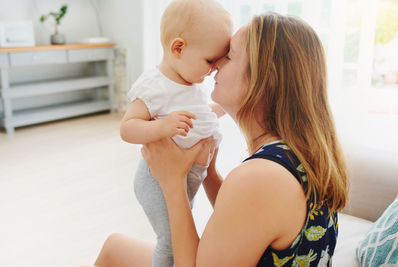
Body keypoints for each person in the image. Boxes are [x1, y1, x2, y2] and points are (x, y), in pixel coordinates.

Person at [92, 11, 348, 267]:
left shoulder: (261, 178)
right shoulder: (298, 153)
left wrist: (173, 182)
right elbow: (249, 220)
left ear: (264, 80)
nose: (215, 65)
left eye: (229, 55)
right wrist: (210, 174)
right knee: (114, 248)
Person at [119, 0, 232, 266]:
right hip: (156, 181)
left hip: (187, 178)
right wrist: (161, 126)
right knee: (170, 243)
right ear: (178, 48)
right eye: (210, 60)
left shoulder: (190, 82)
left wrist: (222, 108)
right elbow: (127, 128)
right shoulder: (153, 85)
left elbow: (198, 115)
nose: (215, 68)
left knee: (181, 234)